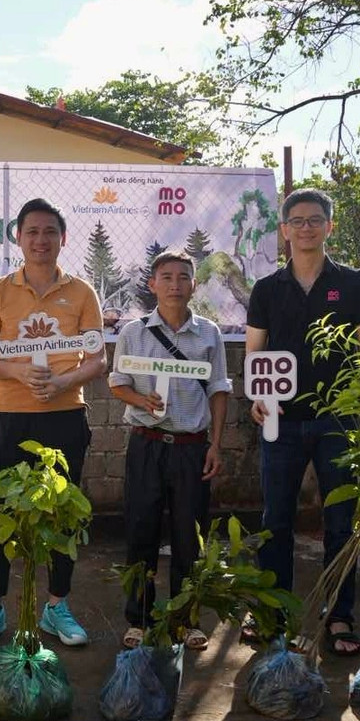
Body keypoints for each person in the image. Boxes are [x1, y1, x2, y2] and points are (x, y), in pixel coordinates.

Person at [246, 188, 360, 656]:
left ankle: (339, 615)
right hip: (280, 422)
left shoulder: (354, 283)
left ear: (329, 226)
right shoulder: (266, 289)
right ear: (283, 230)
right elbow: (255, 354)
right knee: (274, 520)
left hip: (337, 421)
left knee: (340, 522)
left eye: (315, 219)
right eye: (297, 220)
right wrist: (257, 398)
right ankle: (271, 611)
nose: (306, 227)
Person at [0, 198, 106, 647]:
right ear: (18, 238)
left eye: (50, 232)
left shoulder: (83, 293)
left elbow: (98, 357)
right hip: (10, 416)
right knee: (1, 508)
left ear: (63, 238)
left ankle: (57, 605)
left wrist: (64, 380)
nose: (41, 240)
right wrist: (19, 372)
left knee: (64, 511)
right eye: (32, 232)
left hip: (66, 417)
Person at [109, 250, 231, 651]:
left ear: (194, 285)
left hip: (191, 448)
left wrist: (215, 443)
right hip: (146, 444)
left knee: (188, 535)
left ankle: (185, 619)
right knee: (141, 531)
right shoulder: (134, 332)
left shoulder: (209, 333)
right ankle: (140, 619)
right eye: (166, 277)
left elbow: (217, 389)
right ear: (152, 284)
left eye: (183, 277)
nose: (175, 284)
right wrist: (141, 402)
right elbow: (117, 382)